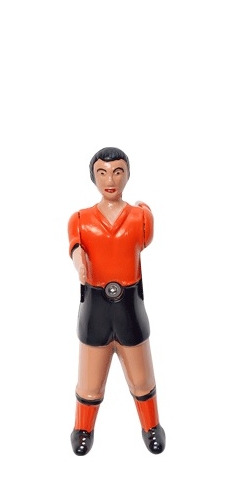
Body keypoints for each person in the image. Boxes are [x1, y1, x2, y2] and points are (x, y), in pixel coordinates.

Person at [67, 147, 165, 456]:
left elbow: (144, 236)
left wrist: (144, 208)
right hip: (95, 307)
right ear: (93, 177)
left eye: (117, 172)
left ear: (127, 175)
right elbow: (76, 247)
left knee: (141, 377)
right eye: (103, 173)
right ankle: (83, 429)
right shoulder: (80, 220)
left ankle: (151, 426)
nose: (110, 180)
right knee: (90, 380)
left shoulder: (141, 219)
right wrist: (80, 264)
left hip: (129, 306)